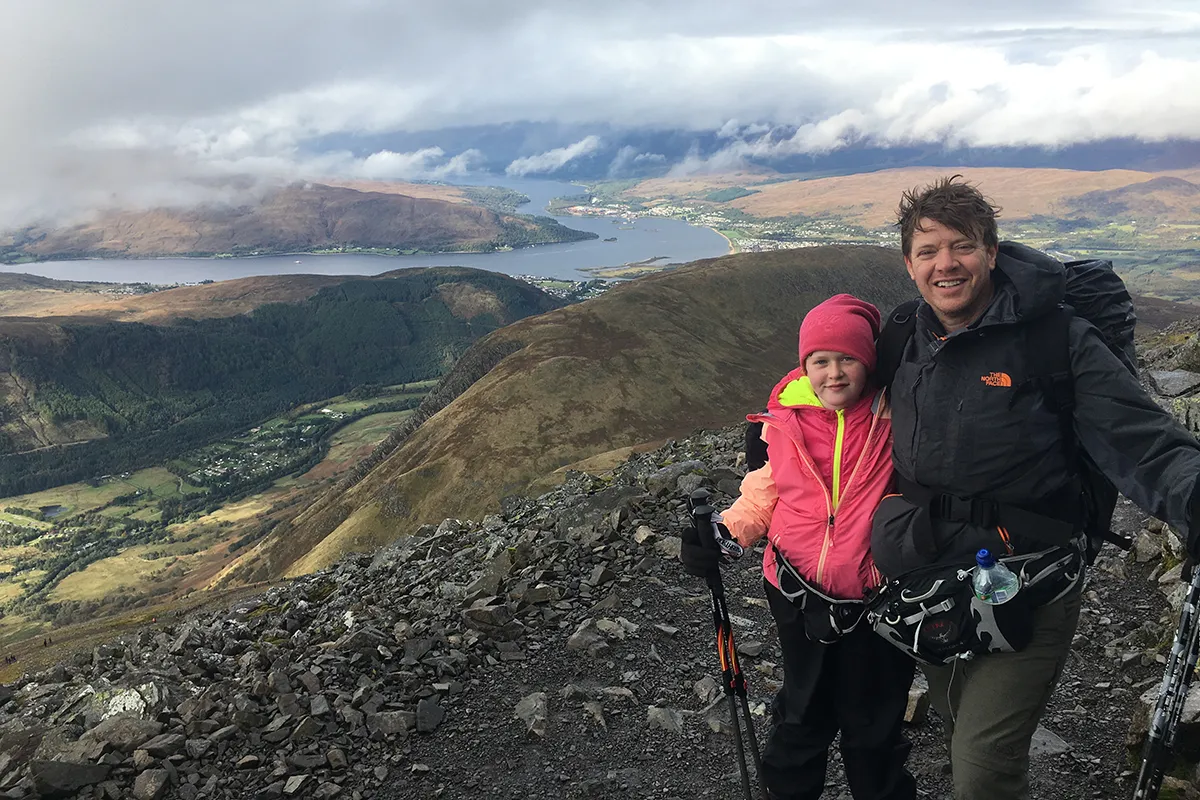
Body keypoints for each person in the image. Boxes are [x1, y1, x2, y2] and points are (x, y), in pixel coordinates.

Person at [873, 175, 1200, 800]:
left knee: (981, 771)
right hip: (928, 577)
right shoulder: (902, 337)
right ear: (909, 264)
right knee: (956, 726)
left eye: (963, 246)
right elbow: (837, 414)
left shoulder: (1057, 340)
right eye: (928, 251)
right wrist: (762, 462)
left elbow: (1145, 441)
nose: (947, 264)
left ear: (992, 252)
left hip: (1028, 579)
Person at [682, 294, 916, 800]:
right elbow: (765, 490)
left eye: (848, 359)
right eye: (820, 361)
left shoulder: (897, 417)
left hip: (878, 599)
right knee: (803, 711)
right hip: (795, 591)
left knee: (872, 726)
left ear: (869, 362)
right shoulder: (783, 423)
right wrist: (726, 533)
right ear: (804, 364)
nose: (834, 373)